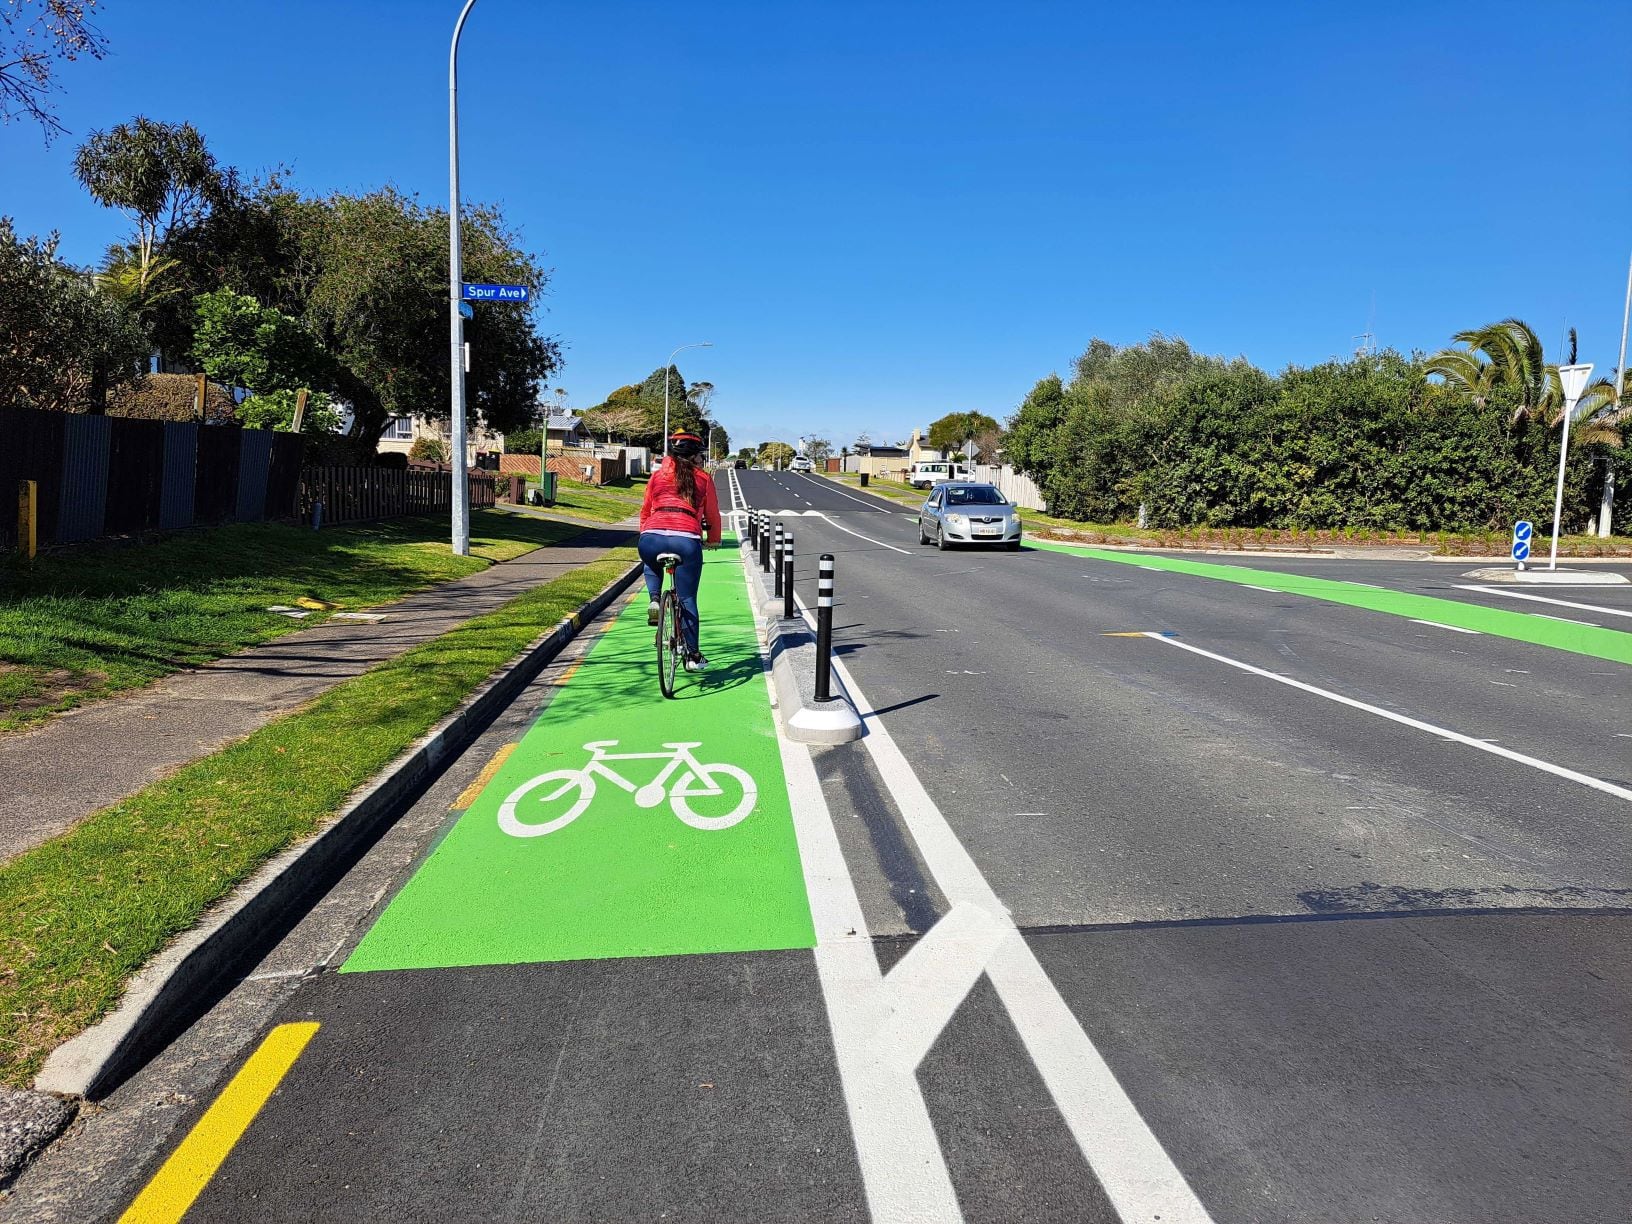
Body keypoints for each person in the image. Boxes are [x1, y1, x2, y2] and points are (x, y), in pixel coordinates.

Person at [639, 432, 722, 673]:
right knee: (687, 600)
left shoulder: (657, 476)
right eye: (701, 456)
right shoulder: (703, 478)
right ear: (694, 457)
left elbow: (645, 510)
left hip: (651, 536)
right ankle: (693, 656)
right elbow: (712, 514)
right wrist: (713, 540)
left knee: (650, 562)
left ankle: (655, 599)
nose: (702, 460)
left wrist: (645, 534)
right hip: (686, 540)